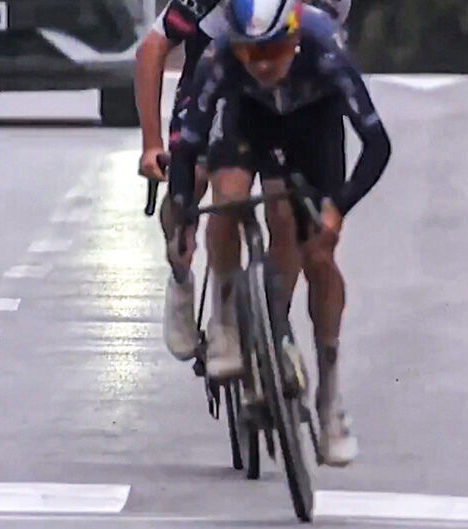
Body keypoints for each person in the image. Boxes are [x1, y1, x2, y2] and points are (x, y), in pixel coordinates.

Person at [168, 0, 391, 465]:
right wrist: (185, 214)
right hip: (249, 122)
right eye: (251, 53)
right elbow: (188, 148)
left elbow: (377, 144)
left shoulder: (324, 46)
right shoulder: (222, 55)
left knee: (318, 255)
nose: (263, 65)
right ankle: (226, 319)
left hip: (313, 127)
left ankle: (329, 395)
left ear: (293, 38)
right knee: (228, 198)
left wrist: (338, 208)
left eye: (273, 50)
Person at [135, 0, 352, 366]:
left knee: (285, 211)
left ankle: (274, 325)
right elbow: (153, 47)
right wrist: (151, 144)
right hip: (212, 79)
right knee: (196, 180)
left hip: (278, 83)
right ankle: (186, 282)